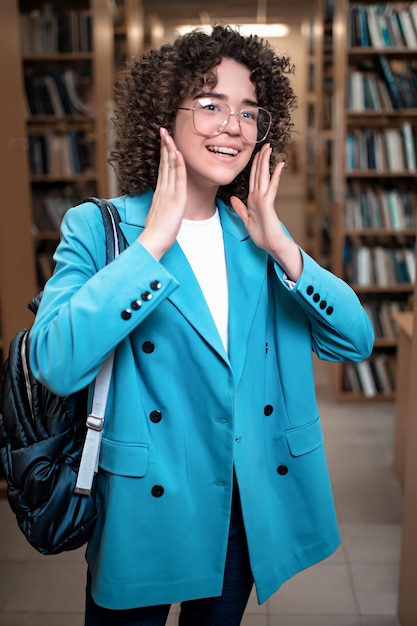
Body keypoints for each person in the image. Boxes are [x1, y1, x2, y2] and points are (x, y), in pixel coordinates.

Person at [28, 24, 374, 626]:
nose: (231, 126)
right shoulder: (98, 227)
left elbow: (355, 340)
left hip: (241, 501)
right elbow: (55, 362)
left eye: (248, 112)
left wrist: (286, 250)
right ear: (165, 116)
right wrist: (153, 245)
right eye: (211, 104)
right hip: (145, 502)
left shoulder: (259, 239)